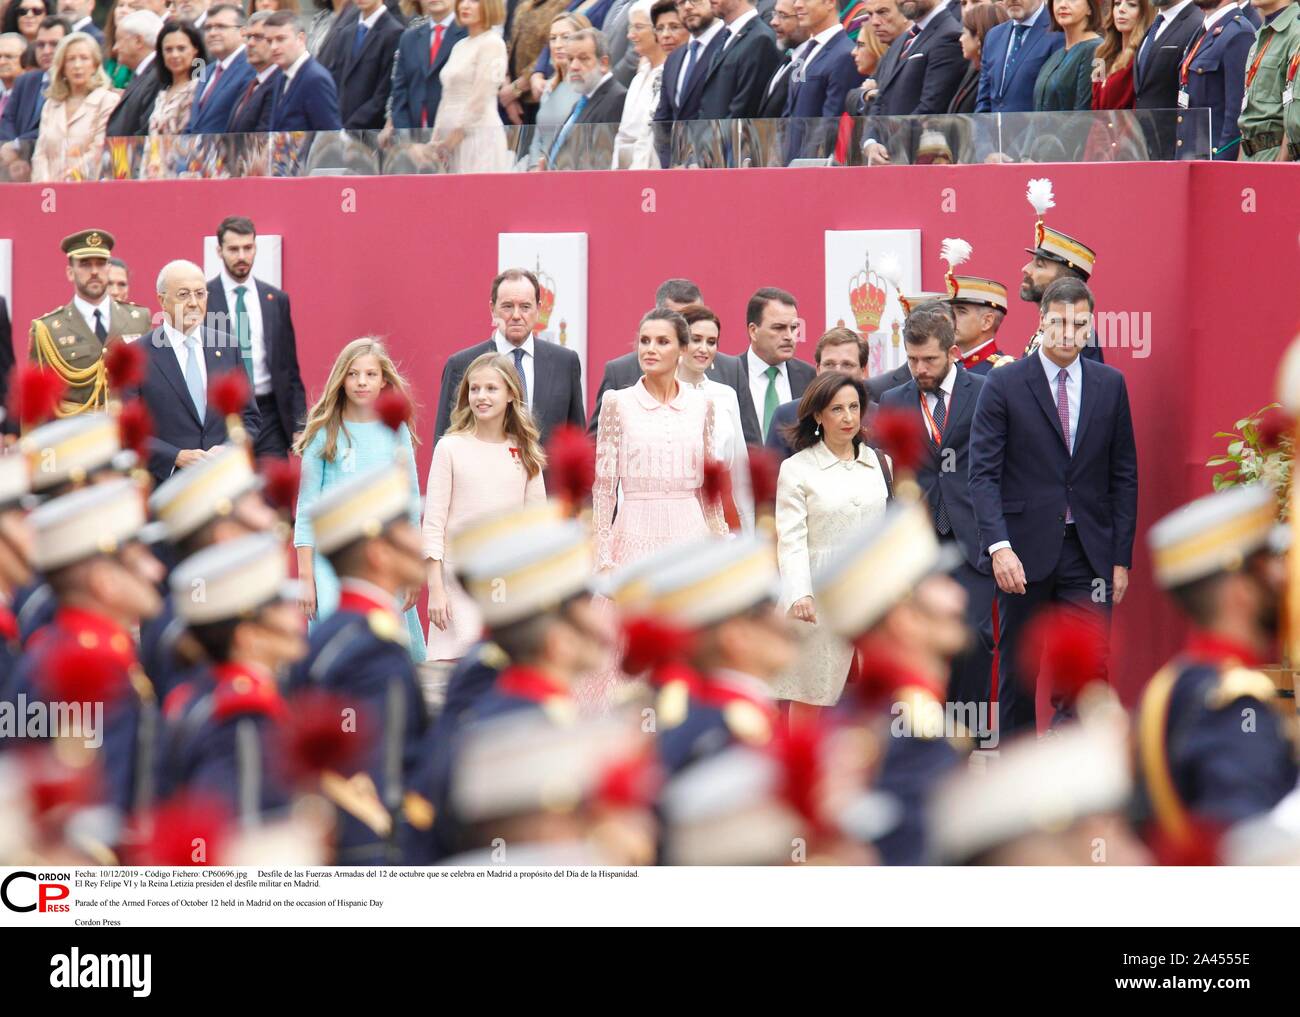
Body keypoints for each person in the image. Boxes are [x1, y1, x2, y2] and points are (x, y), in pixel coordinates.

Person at [968, 276, 1138, 737]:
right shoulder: (1004, 383)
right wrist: (999, 547)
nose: (1069, 333)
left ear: (1091, 327)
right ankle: (1020, 784)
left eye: (1079, 324)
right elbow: (982, 473)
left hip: (1089, 553)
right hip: (1021, 553)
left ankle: (1073, 785)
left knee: (1087, 669)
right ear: (1041, 322)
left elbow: (1123, 475)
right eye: (1059, 322)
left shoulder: (1110, 384)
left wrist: (1120, 558)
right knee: (1021, 672)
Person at [1135, 485, 1299, 847]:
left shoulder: (1176, 682)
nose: (1285, 579)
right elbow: (1246, 848)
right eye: (1270, 569)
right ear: (1240, 592)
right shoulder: (1234, 704)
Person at [814, 501, 973, 863]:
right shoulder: (916, 735)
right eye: (940, 583)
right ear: (905, 619)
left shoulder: (862, 714)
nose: (959, 597)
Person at [290, 462, 431, 865]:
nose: (417, 540)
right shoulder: (374, 649)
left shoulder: (329, 634)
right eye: (406, 528)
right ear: (378, 552)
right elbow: (377, 790)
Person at [12, 479, 165, 848]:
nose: (155, 571)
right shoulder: (94, 668)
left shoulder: (61, 648)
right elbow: (94, 829)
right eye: (139, 560)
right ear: (105, 582)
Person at [878, 303, 995, 717]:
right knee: (919, 641)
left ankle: (971, 735)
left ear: (951, 352)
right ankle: (927, 734)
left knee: (975, 637)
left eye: (929, 359)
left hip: (974, 537)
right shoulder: (892, 400)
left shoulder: (984, 390)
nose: (920, 368)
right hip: (918, 544)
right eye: (912, 360)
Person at [156, 533, 306, 824]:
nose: (294, 616)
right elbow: (245, 832)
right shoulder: (244, 716)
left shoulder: (204, 692)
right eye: (280, 607)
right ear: (249, 637)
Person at [293, 337, 424, 656]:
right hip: (331, 558)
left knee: (383, 642)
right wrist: (306, 576)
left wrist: (411, 568)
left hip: (385, 557)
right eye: (352, 374)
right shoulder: (325, 430)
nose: (361, 382)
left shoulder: (396, 430)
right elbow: (308, 504)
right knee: (340, 641)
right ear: (341, 378)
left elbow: (408, 500)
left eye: (370, 374)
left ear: (383, 380)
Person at [775, 370, 891, 721]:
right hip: (817, 594)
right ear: (818, 415)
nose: (848, 418)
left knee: (876, 696)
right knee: (811, 692)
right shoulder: (796, 469)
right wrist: (799, 594)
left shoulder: (880, 463)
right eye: (837, 409)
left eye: (854, 407)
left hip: (873, 594)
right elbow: (791, 539)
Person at [422, 353, 547, 665]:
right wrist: (436, 590)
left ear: (510, 395)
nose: (481, 396)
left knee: (502, 669)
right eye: (474, 389)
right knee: (453, 671)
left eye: (491, 388)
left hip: (507, 581)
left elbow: (537, 528)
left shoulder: (526, 452)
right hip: (457, 582)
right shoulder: (449, 448)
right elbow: (433, 526)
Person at [593, 306, 728, 576]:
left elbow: (708, 487)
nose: (650, 349)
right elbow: (604, 489)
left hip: (691, 538)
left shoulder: (703, 405)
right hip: (634, 535)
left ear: (682, 350)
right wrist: (602, 555)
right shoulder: (617, 403)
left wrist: (720, 541)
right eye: (645, 341)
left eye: (662, 342)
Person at [144, 444, 280, 702]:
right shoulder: (192, 626)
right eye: (257, 507)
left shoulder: (225, 603)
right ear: (225, 535)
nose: (270, 519)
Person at [649, 535, 793, 775]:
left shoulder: (739, 715)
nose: (783, 619)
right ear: (736, 637)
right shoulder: (738, 728)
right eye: (768, 611)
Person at [136, 259, 262, 486]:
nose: (194, 303)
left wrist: (229, 449)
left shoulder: (228, 347)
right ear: (162, 300)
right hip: (165, 488)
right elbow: (126, 431)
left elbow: (249, 418)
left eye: (200, 293)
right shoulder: (138, 354)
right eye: (183, 295)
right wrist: (176, 457)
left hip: (222, 485)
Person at [434, 268, 586, 445]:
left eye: (525, 307)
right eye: (507, 306)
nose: (516, 315)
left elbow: (577, 440)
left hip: (546, 473)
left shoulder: (565, 363)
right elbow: (445, 440)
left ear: (538, 309)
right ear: (492, 309)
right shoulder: (461, 365)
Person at [205, 216, 307, 459]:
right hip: (223, 416)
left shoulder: (275, 299)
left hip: (269, 416)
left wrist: (299, 425)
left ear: (255, 248)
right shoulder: (204, 299)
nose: (241, 256)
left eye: (247, 248)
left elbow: (289, 369)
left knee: (272, 492)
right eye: (233, 249)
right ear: (219, 251)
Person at [28, 229, 152, 417]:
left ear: (108, 269)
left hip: (124, 435)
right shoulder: (47, 329)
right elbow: (36, 403)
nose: (94, 271)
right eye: (85, 264)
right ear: (70, 272)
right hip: (75, 437)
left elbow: (150, 384)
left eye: (101, 264)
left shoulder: (138, 319)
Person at [677, 303, 753, 530]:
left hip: (720, 516)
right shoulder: (659, 395)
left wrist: (747, 530)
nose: (704, 348)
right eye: (696, 339)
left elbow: (741, 471)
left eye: (711, 342)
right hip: (674, 518)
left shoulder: (726, 395)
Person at [1020, 177, 1103, 361]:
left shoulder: (1082, 339)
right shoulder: (1044, 330)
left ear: (1063, 283)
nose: (1025, 269)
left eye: (1039, 264)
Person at [764, 326, 865, 462]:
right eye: (829, 364)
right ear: (818, 369)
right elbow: (771, 478)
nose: (837, 372)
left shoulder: (880, 417)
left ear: (863, 371)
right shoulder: (786, 415)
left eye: (847, 365)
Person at [431, 0, 510, 172]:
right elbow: (446, 95)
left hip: (478, 136)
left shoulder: (493, 43)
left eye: (473, 1)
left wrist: (453, 139)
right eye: (462, 1)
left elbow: (480, 98)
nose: (464, 6)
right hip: (448, 140)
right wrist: (436, 138)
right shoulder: (459, 46)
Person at [31, 32, 120, 182]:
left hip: (89, 189)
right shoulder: (52, 104)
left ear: (95, 65)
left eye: (84, 58)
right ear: (62, 67)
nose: (77, 65)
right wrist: (45, 184)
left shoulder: (107, 101)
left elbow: (99, 149)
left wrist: (70, 178)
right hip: (49, 193)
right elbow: (40, 153)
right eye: (71, 59)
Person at [651, 0, 728, 164]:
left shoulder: (728, 46)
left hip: (718, 166)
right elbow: (663, 120)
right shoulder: (674, 58)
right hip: (678, 170)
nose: (687, 7)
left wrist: (698, 163)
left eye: (695, 0)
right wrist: (671, 164)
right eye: (680, 2)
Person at [738, 286, 816, 444]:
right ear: (753, 331)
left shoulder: (809, 377)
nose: (789, 336)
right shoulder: (729, 374)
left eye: (793, 328)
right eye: (779, 328)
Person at [1177, 0, 1254, 160]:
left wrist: (1220, 166)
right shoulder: (1203, 31)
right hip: (1192, 156)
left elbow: (1236, 116)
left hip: (1214, 161)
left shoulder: (1239, 33)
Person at [786, 0, 862, 161]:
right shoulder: (803, 54)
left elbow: (832, 123)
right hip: (792, 164)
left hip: (815, 167)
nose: (797, 5)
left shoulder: (845, 55)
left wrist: (807, 164)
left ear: (829, 3)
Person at [543, 27, 628, 169]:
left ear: (604, 63)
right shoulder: (581, 103)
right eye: (570, 59)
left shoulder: (616, 99)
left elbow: (602, 162)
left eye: (583, 58)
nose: (574, 66)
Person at [864, 0, 962, 119]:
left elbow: (930, 109)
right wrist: (872, 136)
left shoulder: (949, 35)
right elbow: (880, 99)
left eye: (882, 12)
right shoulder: (901, 40)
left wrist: (893, 137)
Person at [322, 0, 402, 128]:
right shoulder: (345, 33)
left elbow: (384, 93)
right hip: (340, 127)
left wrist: (351, 127)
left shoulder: (394, 33)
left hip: (371, 131)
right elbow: (334, 80)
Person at [697, 0, 781, 119]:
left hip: (733, 135)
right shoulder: (728, 36)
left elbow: (744, 109)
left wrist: (716, 137)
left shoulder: (760, 39)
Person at [388, 0, 465, 130]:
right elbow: (399, 95)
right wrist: (409, 142)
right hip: (416, 140)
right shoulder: (408, 38)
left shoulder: (469, 35)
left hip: (457, 138)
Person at [1237, 0, 1300, 161]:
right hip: (1250, 155)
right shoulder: (1261, 35)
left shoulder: (1295, 32)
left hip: (1274, 156)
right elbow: (1248, 114)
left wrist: (1279, 167)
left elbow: (1294, 112)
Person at [975, 0, 1063, 113]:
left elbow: (1057, 100)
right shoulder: (993, 36)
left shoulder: (1058, 32)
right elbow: (984, 100)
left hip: (1037, 128)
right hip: (995, 129)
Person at [264, 8, 342, 129]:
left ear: (300, 39)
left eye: (280, 39)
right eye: (269, 41)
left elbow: (330, 136)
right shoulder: (281, 75)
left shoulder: (315, 79)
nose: (273, 47)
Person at [184, 4, 256, 133]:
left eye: (221, 27)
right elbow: (194, 121)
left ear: (243, 31)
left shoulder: (251, 68)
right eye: (208, 28)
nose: (212, 33)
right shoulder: (206, 71)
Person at [0, 15, 67, 152]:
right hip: (12, 165)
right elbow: (8, 120)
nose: (46, 51)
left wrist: (17, 146)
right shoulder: (25, 81)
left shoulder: (73, 85)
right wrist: (9, 149)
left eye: (54, 44)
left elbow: (50, 128)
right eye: (41, 45)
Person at [611, 0, 665, 167]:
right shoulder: (638, 78)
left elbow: (650, 135)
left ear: (657, 29)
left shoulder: (667, 75)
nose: (630, 35)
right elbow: (624, 135)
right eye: (630, 28)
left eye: (638, 27)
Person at [500, 0, 570, 126]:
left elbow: (548, 53)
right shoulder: (523, 5)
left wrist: (515, 89)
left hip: (537, 94)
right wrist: (507, 86)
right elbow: (508, 43)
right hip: (511, 96)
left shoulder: (562, 6)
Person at [1032, 0, 1101, 110]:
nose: (1063, 5)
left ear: (1090, 8)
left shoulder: (1096, 50)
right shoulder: (1057, 54)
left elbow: (1084, 113)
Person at [106, 9, 164, 136]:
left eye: (119, 40)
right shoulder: (142, 75)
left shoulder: (157, 76)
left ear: (138, 41)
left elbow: (147, 129)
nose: (115, 48)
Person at [946, 269, 1011, 374]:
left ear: (987, 322)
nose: (950, 319)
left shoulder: (1005, 371)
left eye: (961, 312)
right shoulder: (952, 369)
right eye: (950, 311)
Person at [225, 8, 280, 131]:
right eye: (248, 37)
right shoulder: (252, 83)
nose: (250, 43)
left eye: (258, 37)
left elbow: (265, 138)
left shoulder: (280, 85)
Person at [148, 19, 205, 135]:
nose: (174, 55)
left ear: (195, 50)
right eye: (168, 49)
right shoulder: (162, 92)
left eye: (181, 48)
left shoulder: (199, 88)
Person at [1090, 0, 1150, 111]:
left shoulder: (1142, 56)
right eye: (1117, 4)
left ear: (1144, 13)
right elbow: (1095, 104)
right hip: (1098, 126)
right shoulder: (1102, 55)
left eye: (1131, 5)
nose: (1121, 9)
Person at [949, 1, 1005, 111]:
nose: (961, 39)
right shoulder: (973, 70)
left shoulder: (992, 77)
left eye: (964, 33)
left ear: (978, 37)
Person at [757, 0, 808, 116]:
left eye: (783, 16)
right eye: (775, 14)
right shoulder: (789, 55)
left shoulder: (805, 62)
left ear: (804, 19)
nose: (773, 22)